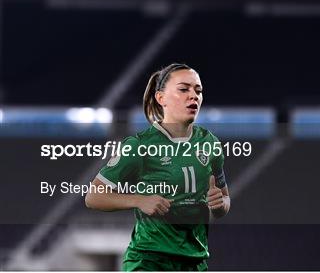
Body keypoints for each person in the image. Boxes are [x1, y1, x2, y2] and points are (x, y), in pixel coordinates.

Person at [85, 63, 230, 271]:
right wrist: (138, 200)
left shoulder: (210, 144)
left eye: (198, 91)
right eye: (183, 89)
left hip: (194, 262)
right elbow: (93, 196)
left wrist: (220, 205)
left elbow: (224, 200)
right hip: (149, 261)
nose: (194, 96)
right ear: (161, 98)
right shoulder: (140, 145)